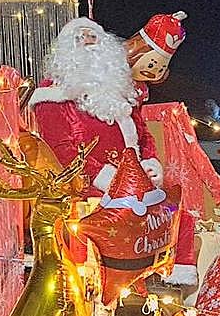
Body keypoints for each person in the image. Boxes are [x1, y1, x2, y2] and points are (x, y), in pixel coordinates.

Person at [30, 18, 162, 196]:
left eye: (93, 36)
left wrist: (150, 163)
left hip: (136, 185)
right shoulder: (51, 93)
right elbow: (60, 148)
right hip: (87, 193)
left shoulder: (120, 90)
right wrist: (106, 178)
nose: (87, 41)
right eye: (79, 37)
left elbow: (143, 135)